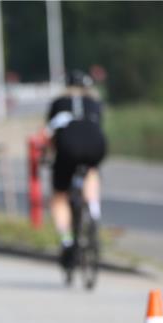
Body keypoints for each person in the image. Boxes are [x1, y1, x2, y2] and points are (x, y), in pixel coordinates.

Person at [45, 70, 107, 270]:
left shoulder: (58, 103)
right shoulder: (96, 103)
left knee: (59, 196)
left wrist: (47, 157)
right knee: (91, 172)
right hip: (96, 145)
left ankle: (67, 240)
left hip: (67, 147)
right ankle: (94, 211)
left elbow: (50, 134)